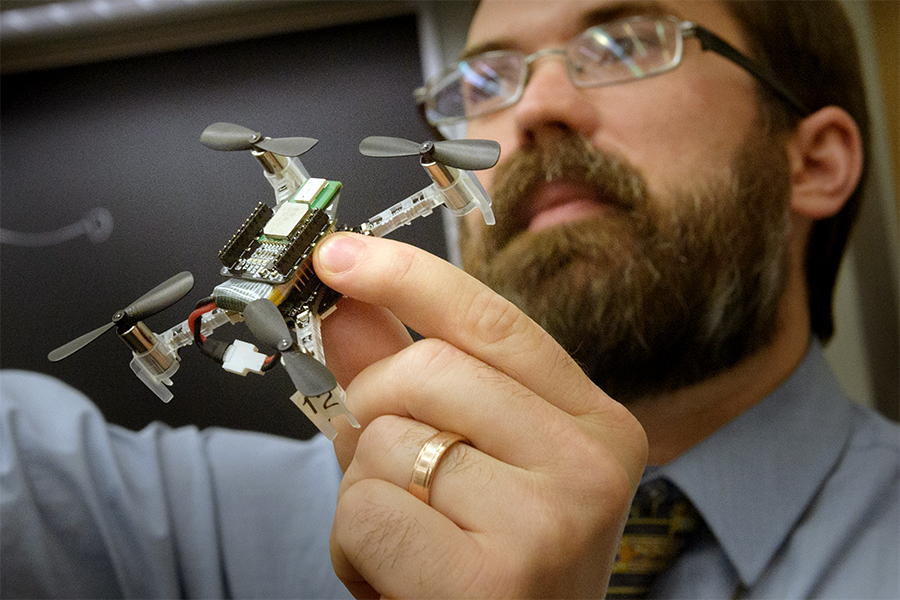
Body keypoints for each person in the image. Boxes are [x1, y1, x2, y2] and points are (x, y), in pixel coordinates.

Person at [1, 0, 897, 598]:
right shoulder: (214, 524)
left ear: (813, 161)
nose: (535, 108)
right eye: (483, 81)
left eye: (623, 44)